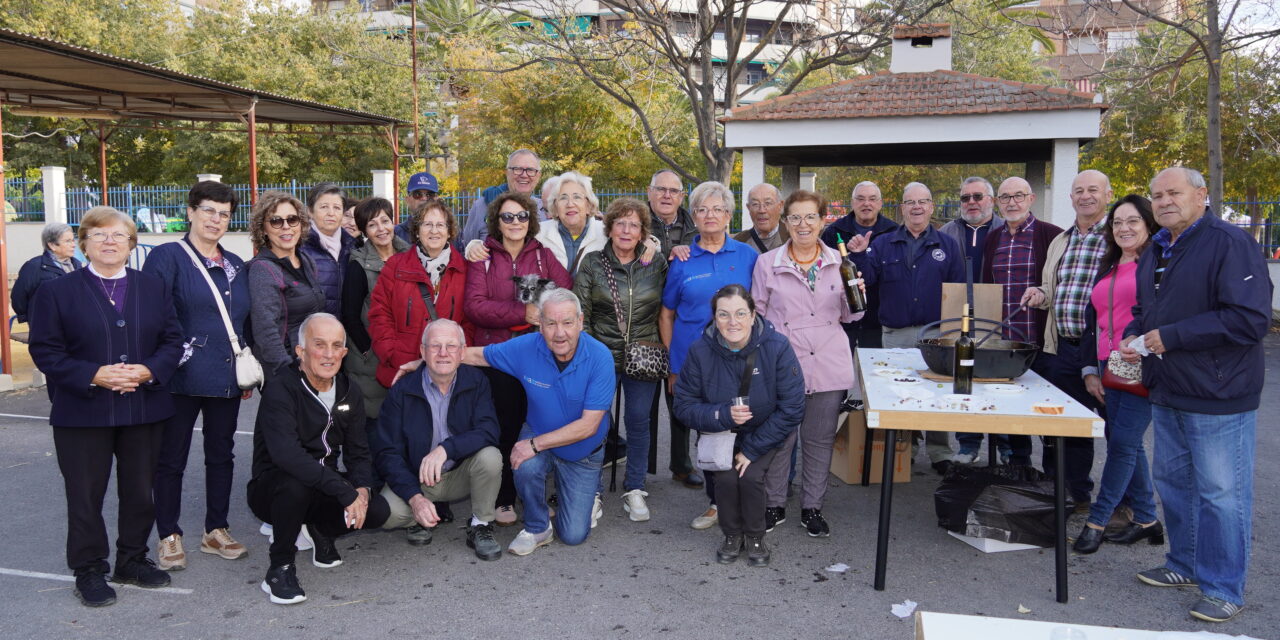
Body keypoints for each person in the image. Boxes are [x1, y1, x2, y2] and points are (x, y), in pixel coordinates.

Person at [1121, 167, 1271, 623]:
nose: (1165, 201)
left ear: (1202, 195)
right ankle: (1182, 565)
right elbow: (1145, 310)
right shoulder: (1158, 249)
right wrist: (1133, 335)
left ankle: (1224, 588)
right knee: (1176, 486)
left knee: (1221, 495)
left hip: (1218, 392)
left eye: (1174, 193)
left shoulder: (1229, 243)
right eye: (1157, 195)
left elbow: (1249, 320)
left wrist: (1172, 336)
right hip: (1168, 388)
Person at [28, 206, 185, 607]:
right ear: (83, 245)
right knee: (85, 495)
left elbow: (173, 341)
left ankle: (132, 559)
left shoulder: (153, 287)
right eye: (99, 235)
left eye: (118, 235)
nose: (109, 241)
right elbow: (45, 350)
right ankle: (89, 569)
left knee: (140, 492)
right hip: (82, 412)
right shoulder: (55, 292)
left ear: (132, 244)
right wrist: (92, 374)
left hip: (144, 408)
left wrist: (149, 370)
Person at [450, 288, 614, 555]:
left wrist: (535, 444)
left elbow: (588, 426)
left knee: (573, 535)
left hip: (583, 453)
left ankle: (585, 490)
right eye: (550, 324)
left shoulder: (600, 357)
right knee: (523, 463)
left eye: (567, 323)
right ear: (540, 325)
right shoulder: (526, 348)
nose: (559, 333)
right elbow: (477, 355)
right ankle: (538, 526)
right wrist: (425, 361)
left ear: (581, 322)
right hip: (540, 433)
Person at [143, 181, 253, 572]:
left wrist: (247, 368)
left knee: (221, 455)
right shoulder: (167, 257)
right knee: (171, 458)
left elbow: (243, 320)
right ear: (190, 211)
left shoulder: (237, 264)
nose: (216, 219)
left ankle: (216, 529)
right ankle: (169, 534)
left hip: (225, 377)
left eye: (224, 213)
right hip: (179, 376)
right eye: (208, 210)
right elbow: (154, 315)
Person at [248, 313, 390, 605]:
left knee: (376, 510)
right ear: (300, 351)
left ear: (344, 353)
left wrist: (361, 489)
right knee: (296, 484)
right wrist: (344, 491)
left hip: (322, 484)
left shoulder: (349, 390)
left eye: (336, 345)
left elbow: (359, 450)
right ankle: (279, 568)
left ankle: (319, 529)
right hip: (273, 489)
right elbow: (288, 456)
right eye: (319, 345)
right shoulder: (280, 389)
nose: (328, 354)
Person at [751, 190, 862, 537]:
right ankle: (774, 504)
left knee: (818, 440)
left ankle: (812, 508)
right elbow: (757, 315)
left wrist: (856, 294)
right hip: (784, 363)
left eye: (810, 217)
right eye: (795, 217)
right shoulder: (767, 263)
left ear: (823, 220)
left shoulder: (840, 262)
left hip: (828, 362)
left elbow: (853, 315)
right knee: (781, 438)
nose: (803, 224)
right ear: (785, 223)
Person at [674, 285, 803, 566]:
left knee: (751, 475)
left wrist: (752, 449)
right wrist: (722, 415)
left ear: (753, 314)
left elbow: (792, 408)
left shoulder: (777, 346)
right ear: (714, 318)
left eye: (740, 313)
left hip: (765, 430)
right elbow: (683, 406)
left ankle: (755, 535)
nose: (733, 322)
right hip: (721, 431)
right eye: (724, 315)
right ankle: (732, 534)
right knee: (726, 476)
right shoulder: (699, 351)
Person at [463, 191, 572, 527]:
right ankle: (504, 497)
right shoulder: (483, 257)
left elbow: (564, 292)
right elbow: (474, 306)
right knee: (506, 426)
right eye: (507, 217)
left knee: (539, 423)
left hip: (537, 353)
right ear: (496, 221)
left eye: (521, 216)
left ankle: (533, 493)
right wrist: (522, 312)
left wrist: (542, 314)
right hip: (498, 355)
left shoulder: (542, 255)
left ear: (531, 220)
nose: (515, 223)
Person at [848, 182, 964, 473]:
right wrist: (861, 254)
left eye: (922, 202)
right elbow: (868, 280)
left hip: (936, 334)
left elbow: (959, 289)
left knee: (939, 394)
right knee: (901, 394)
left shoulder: (947, 245)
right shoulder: (884, 243)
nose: (916, 207)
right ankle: (905, 450)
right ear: (902, 208)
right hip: (896, 333)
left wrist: (956, 332)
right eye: (910, 202)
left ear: (931, 207)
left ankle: (940, 453)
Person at [660, 181, 758, 528]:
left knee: (742, 430)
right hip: (693, 362)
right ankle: (716, 503)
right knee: (709, 433)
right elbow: (667, 313)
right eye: (702, 209)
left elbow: (761, 307)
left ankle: (744, 498)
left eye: (717, 209)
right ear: (694, 217)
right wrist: (673, 366)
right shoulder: (683, 259)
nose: (710, 215)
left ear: (729, 215)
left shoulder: (748, 256)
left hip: (739, 361)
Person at [1073, 195, 1162, 555]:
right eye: (1118, 223)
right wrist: (1091, 370)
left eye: (1133, 221)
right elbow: (1094, 321)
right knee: (1126, 443)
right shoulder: (1109, 264)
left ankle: (1097, 519)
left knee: (1123, 444)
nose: (1124, 228)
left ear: (1148, 224)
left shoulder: (1157, 264)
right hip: (1108, 369)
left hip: (1142, 368)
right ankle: (1147, 520)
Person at [954, 177, 1063, 466]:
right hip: (1007, 342)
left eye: (1018, 196)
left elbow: (1064, 286)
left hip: (1041, 339)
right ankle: (1020, 469)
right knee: (1014, 409)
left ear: (1031, 198)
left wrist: (1044, 293)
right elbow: (989, 287)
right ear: (998, 202)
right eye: (1006, 197)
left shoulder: (1052, 235)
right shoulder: (994, 238)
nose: (1012, 202)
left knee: (1048, 413)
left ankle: (1053, 477)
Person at [1020, 169, 1113, 509]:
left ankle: (1126, 505)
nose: (1085, 196)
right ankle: (1067, 493)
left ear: (1107, 194)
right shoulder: (1063, 239)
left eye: (1093, 190)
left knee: (1119, 432)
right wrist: (1039, 294)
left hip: (1103, 352)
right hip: (1061, 347)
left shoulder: (1117, 237)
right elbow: (1054, 290)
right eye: (1079, 191)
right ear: (1070, 198)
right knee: (1063, 428)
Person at [373, 319, 503, 559]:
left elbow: (489, 430)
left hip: (459, 474)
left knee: (490, 457)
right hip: (418, 479)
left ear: (462, 352)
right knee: (387, 514)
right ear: (422, 351)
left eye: (451, 346)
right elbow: (387, 452)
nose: (443, 353)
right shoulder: (402, 390)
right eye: (435, 346)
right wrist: (414, 497)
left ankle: (481, 525)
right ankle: (418, 518)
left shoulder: (477, 381)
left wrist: (446, 448)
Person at [573, 197, 668, 522]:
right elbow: (580, 312)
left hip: (644, 354)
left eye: (634, 225)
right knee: (597, 424)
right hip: (600, 355)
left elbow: (666, 308)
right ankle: (593, 489)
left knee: (640, 422)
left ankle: (636, 487)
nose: (627, 230)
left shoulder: (656, 263)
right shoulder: (593, 263)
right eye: (621, 223)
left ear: (643, 231)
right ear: (610, 227)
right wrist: (586, 353)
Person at [368, 199, 473, 390]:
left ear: (449, 232)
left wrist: (456, 357)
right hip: (401, 370)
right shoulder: (395, 266)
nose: (434, 230)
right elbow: (379, 314)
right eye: (427, 224)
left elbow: (470, 321)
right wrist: (391, 353)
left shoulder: (465, 271)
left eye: (440, 225)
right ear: (417, 230)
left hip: (448, 371)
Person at [246, 191, 327, 383]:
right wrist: (288, 370)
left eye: (292, 219)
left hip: (310, 363)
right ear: (263, 229)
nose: (286, 227)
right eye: (276, 221)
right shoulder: (263, 270)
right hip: (284, 370)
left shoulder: (306, 260)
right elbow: (265, 330)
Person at [340, 197, 410, 420]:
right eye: (372, 224)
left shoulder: (411, 258)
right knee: (372, 424)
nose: (381, 229)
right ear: (364, 231)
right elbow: (350, 317)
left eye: (385, 221)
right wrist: (370, 351)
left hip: (405, 354)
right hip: (370, 361)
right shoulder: (358, 264)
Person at [821, 180, 898, 351]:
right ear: (853, 202)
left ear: (880, 203)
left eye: (872, 199)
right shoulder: (834, 232)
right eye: (860, 199)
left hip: (879, 320)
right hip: (841, 321)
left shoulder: (893, 232)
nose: (866, 204)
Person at [460, 149, 543, 245]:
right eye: (517, 169)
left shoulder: (546, 210)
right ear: (507, 172)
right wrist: (473, 247)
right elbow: (468, 246)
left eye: (530, 170)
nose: (524, 175)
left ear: (538, 175)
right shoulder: (481, 207)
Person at [534, 171, 607, 275]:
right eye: (563, 198)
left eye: (577, 197)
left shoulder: (606, 234)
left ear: (589, 205)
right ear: (555, 207)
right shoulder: (538, 234)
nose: (570, 204)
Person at [299, 182, 356, 315]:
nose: (331, 213)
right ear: (310, 211)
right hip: (311, 330)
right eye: (324, 207)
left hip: (345, 332)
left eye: (337, 207)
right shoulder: (299, 248)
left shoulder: (353, 246)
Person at [11, 222, 81, 324]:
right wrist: (32, 318)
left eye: (73, 240)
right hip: (46, 326)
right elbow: (18, 296)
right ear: (52, 245)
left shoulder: (77, 264)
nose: (73, 245)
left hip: (74, 324)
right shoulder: (34, 266)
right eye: (68, 241)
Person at [939, 177, 1005, 276]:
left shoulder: (1007, 231)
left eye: (977, 196)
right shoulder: (944, 233)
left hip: (996, 291)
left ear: (992, 200)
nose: (971, 202)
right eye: (965, 198)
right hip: (954, 292)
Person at [647, 169, 697, 260]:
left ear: (681, 197)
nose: (667, 196)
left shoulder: (695, 230)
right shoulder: (632, 226)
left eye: (673, 191)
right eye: (661, 189)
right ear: (649, 192)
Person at [733, 183, 789, 253]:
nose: (762, 210)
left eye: (768, 203)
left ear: (780, 206)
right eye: (755, 204)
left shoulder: (793, 238)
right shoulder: (738, 242)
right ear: (748, 208)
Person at [395, 171, 439, 244]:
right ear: (407, 200)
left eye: (429, 195)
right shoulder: (396, 234)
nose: (424, 198)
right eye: (417, 194)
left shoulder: (451, 232)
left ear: (436, 199)